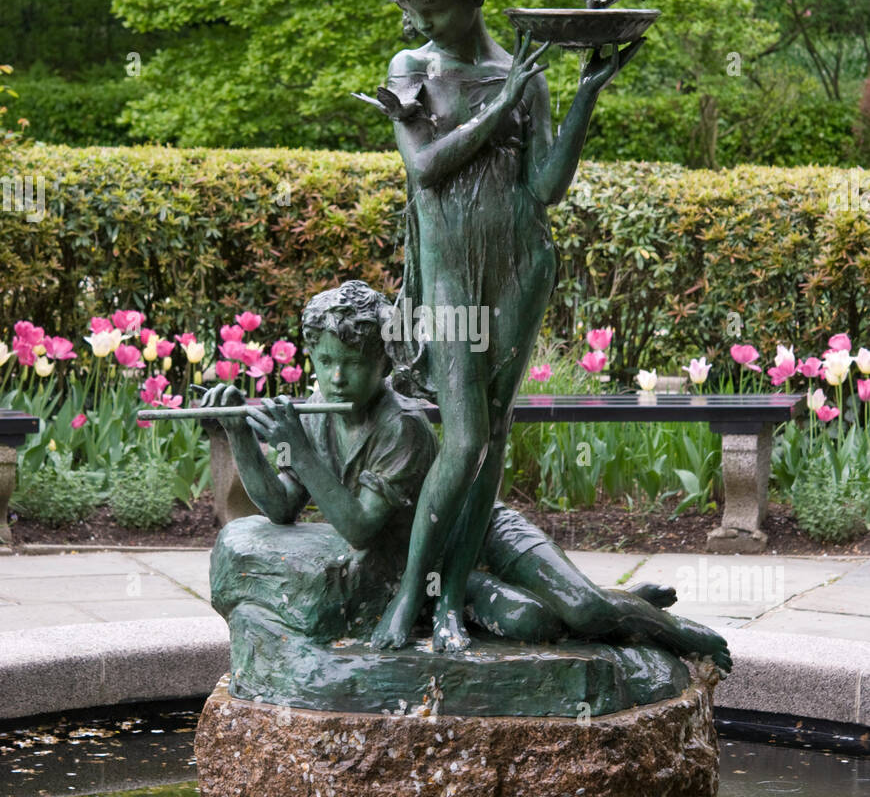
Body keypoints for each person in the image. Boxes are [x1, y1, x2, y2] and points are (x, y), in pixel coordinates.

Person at [356, 0, 645, 652]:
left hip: (521, 263)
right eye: (410, 5)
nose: (418, 18)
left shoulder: (525, 76)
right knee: (464, 438)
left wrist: (584, 93)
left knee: (493, 438)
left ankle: (451, 601)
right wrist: (502, 103)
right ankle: (407, 602)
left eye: (433, 4)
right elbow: (423, 169)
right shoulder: (411, 68)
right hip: (450, 272)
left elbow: (545, 189)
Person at [202, 281, 731, 675]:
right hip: (429, 573)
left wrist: (299, 449)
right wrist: (240, 438)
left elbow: (360, 527)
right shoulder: (317, 413)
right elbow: (281, 507)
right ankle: (615, 604)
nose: (337, 377)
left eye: (354, 363)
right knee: (532, 624)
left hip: (479, 535)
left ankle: (677, 633)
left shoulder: (400, 426)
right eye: (325, 361)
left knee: (584, 608)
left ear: (384, 361)